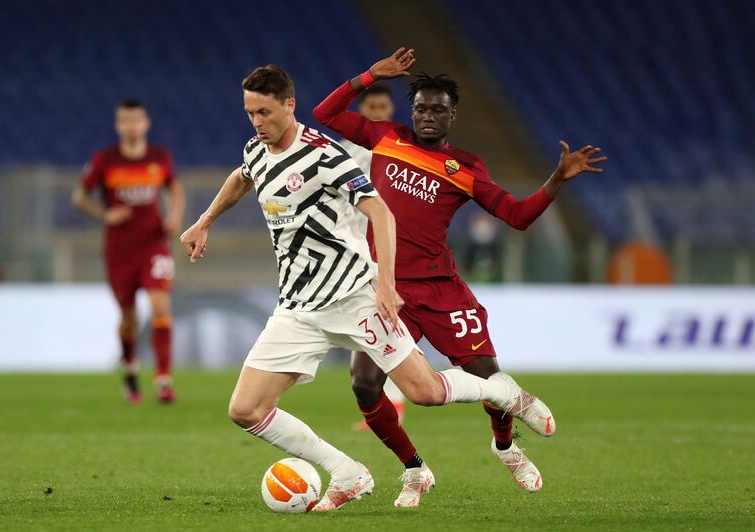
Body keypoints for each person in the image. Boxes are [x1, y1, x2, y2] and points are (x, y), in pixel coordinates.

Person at [179, 64, 556, 512]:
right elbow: (243, 176)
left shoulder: (325, 156)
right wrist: (204, 221)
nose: (257, 122)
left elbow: (381, 213)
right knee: (245, 409)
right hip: (298, 306)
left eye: (264, 112)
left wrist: (384, 284)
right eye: (249, 113)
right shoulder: (256, 149)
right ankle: (348, 473)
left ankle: (502, 392)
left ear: (288, 105)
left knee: (426, 393)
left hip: (354, 297)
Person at [314, 48, 605, 504]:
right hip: (385, 287)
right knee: (364, 384)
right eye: (422, 108)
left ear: (454, 115)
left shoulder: (466, 169)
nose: (429, 116)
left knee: (489, 374)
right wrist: (371, 75)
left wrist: (556, 178)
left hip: (440, 289)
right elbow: (324, 112)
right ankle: (414, 470)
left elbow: (516, 215)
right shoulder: (385, 137)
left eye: (439, 110)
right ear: (411, 111)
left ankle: (506, 447)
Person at [72, 99, 185, 404]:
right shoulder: (105, 160)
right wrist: (104, 214)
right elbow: (79, 196)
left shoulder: (159, 157)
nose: (131, 126)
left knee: (161, 307)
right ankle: (131, 367)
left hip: (153, 244)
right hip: (119, 249)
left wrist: (174, 216)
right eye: (125, 121)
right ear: (118, 125)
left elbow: (174, 189)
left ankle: (163, 379)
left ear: (145, 123)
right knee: (129, 319)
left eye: (136, 120)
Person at [339, 83, 407, 431]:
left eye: (384, 107)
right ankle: (388, 402)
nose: (378, 113)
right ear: (362, 112)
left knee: (383, 327)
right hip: (355, 251)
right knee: (374, 330)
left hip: (386, 251)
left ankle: (393, 402)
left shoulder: (402, 152)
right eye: (372, 107)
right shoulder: (344, 152)